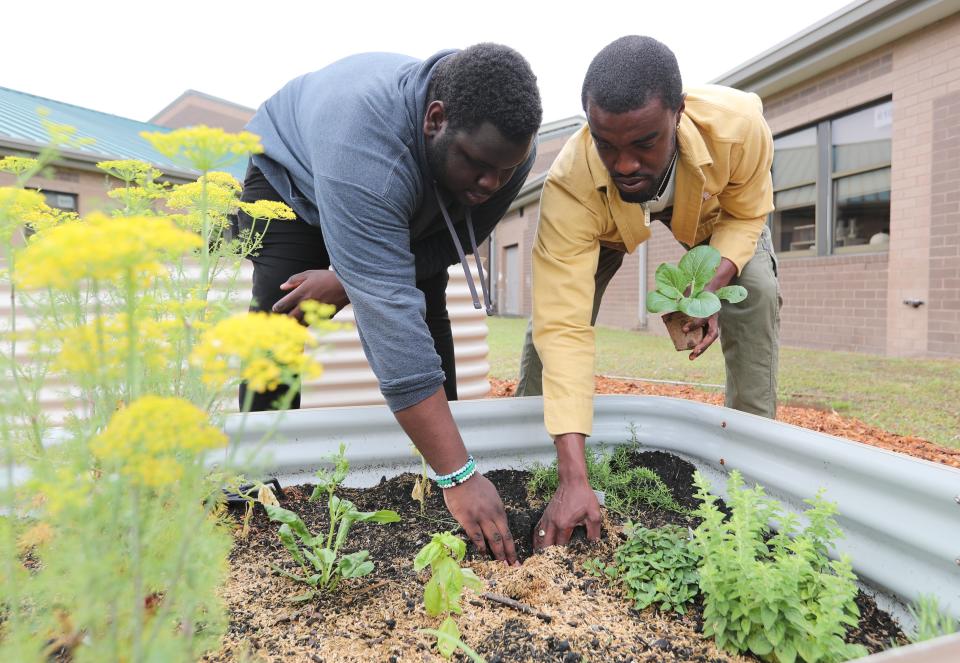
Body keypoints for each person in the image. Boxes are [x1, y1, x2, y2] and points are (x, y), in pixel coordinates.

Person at [238, 44, 543, 564]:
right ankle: (252, 480)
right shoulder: (365, 147)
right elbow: (389, 324)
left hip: (403, 190)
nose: (493, 185)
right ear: (436, 119)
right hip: (293, 181)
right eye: (478, 165)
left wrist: (344, 278)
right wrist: (360, 277)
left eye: (504, 170)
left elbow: (447, 248)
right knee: (281, 320)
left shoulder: (502, 156)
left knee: (429, 311)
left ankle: (437, 473)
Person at [516, 36, 780, 550]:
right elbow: (564, 325)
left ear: (678, 115)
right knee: (547, 327)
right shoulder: (571, 185)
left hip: (710, 211)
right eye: (606, 144)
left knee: (760, 290)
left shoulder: (739, 127)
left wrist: (708, 288)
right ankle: (530, 457)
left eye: (644, 143)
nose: (625, 164)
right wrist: (576, 479)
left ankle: (751, 471)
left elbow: (747, 213)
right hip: (607, 224)